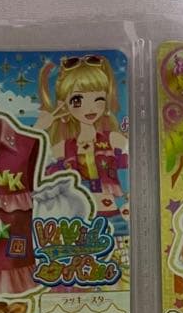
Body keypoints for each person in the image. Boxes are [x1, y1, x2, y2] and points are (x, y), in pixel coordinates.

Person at [37, 55, 128, 219]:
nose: (90, 107)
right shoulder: (63, 148)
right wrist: (39, 129)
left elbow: (134, 170)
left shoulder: (113, 140)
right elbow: (34, 168)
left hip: (111, 214)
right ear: (64, 105)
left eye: (98, 99)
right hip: (76, 217)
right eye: (78, 100)